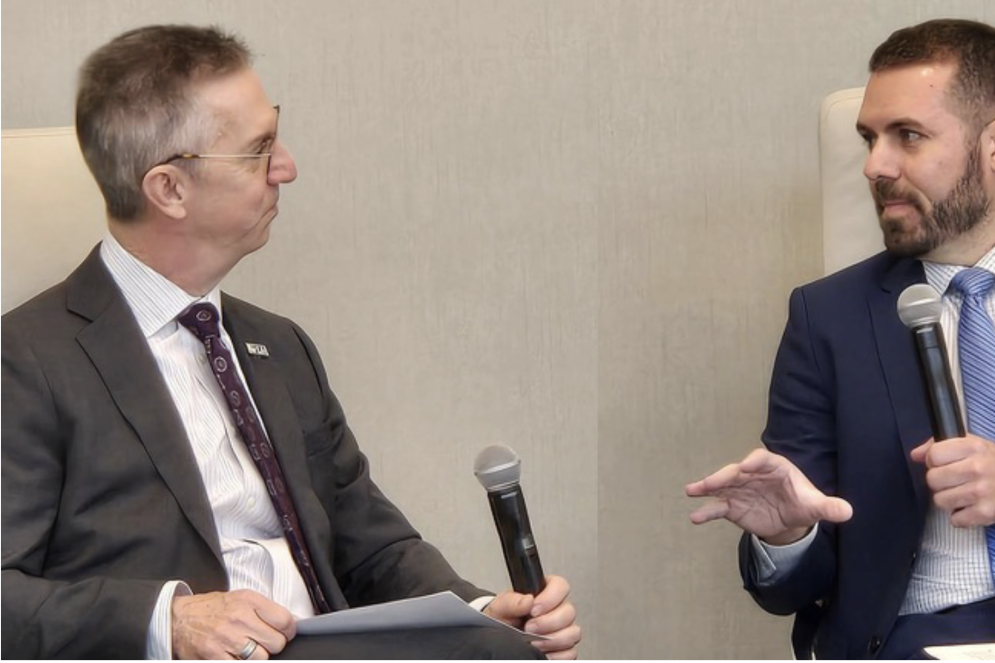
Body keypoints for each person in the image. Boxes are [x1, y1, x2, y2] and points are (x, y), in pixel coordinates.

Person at [1, 24, 581, 660]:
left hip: (331, 648)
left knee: (513, 652)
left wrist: (480, 614)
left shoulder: (279, 346)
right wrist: (169, 620)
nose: (287, 167)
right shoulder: (27, 360)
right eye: (258, 151)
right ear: (169, 189)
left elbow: (371, 546)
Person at [687, 18, 995, 659]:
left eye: (908, 136)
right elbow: (798, 587)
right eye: (869, 139)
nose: (874, 166)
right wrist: (787, 536)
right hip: (920, 635)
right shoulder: (828, 318)